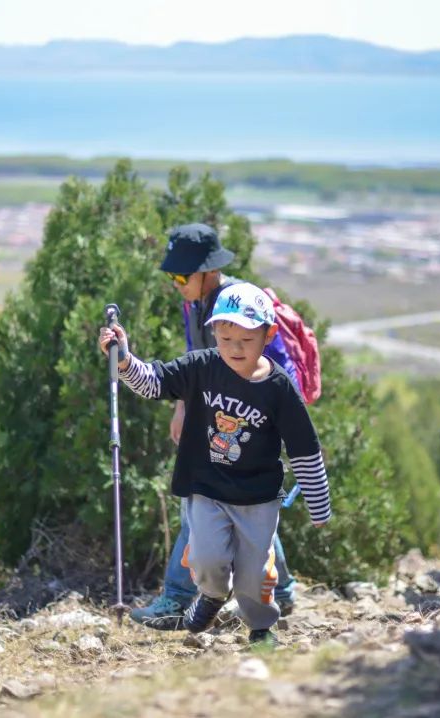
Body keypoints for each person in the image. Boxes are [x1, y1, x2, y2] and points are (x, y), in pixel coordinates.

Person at [97, 282, 331, 646]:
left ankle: (260, 628)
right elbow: (154, 382)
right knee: (206, 557)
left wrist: (319, 506)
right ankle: (211, 595)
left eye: (246, 341)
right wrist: (125, 360)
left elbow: (304, 449)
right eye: (225, 339)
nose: (235, 350)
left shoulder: (278, 387)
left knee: (254, 576)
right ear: (214, 334)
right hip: (206, 487)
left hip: (258, 498)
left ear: (268, 335)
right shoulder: (203, 367)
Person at [131, 223, 301, 630]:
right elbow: (199, 362)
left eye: (180, 276)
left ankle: (177, 595)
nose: (175, 284)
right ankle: (280, 591)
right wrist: (184, 406)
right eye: (171, 275)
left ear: (207, 272)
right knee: (246, 497)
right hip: (227, 414)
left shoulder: (237, 306)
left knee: (202, 492)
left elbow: (267, 372)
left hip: (261, 415)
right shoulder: (196, 303)